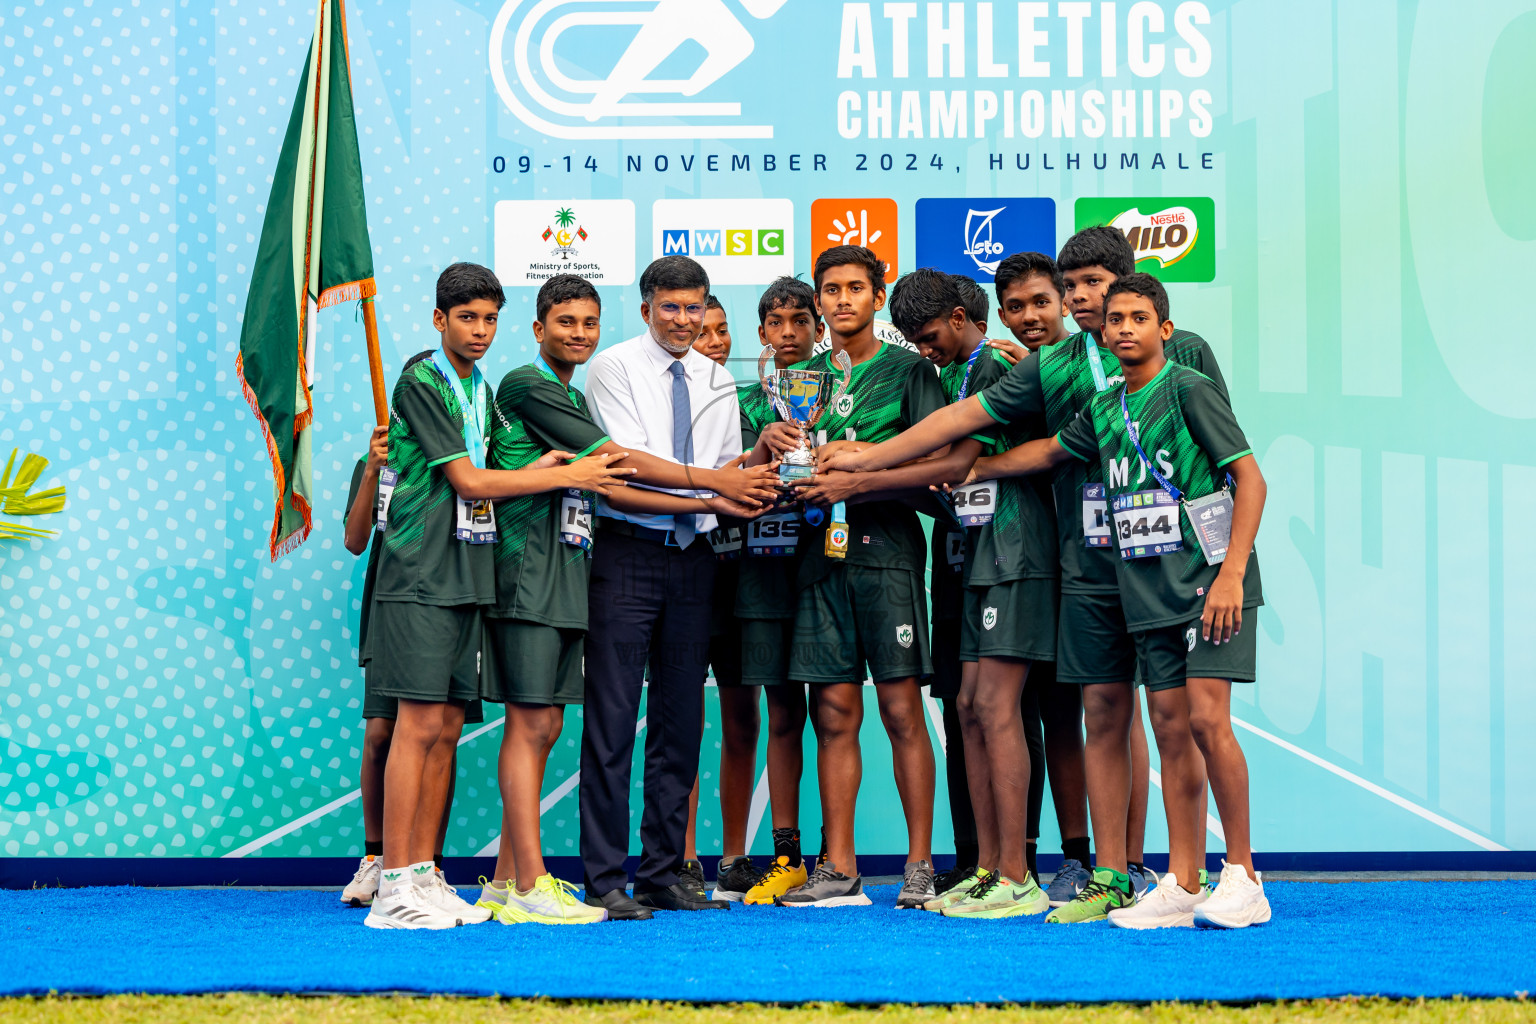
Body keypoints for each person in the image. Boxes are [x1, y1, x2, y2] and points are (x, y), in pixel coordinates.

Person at [822, 228, 1229, 922]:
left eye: (1086, 287)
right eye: (1067, 290)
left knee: (1186, 718)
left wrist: (1226, 564)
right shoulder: (1055, 366)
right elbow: (1007, 437)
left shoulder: (1181, 351)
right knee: (1099, 710)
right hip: (1086, 559)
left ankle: (1217, 870)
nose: (1075, 300)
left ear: (1130, 288)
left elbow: (1225, 456)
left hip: (1174, 561)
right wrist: (870, 459)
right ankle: (1101, 873)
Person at [984, 274, 1270, 929]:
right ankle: (1184, 881)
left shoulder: (1188, 389)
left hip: (1210, 585)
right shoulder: (1107, 407)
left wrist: (1231, 574)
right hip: (1152, 594)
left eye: (1138, 317)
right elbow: (1048, 451)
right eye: (1115, 320)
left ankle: (1245, 876)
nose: (1123, 328)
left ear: (1164, 330)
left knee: (1206, 723)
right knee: (1170, 730)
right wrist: (975, 467)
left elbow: (1249, 479)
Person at [364, 262, 635, 930]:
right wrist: (567, 472)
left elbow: (492, 469)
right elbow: (469, 483)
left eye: (489, 318)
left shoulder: (480, 389)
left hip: (469, 576)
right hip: (420, 571)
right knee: (416, 725)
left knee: (447, 727)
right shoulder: (423, 378)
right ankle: (393, 882)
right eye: (467, 318)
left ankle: (423, 873)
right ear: (439, 320)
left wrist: (541, 469)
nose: (480, 331)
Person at [580, 256, 781, 920]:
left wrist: (760, 461)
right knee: (611, 721)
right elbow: (625, 462)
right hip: (627, 554)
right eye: (671, 307)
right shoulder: (613, 366)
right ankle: (605, 878)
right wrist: (721, 482)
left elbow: (719, 475)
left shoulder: (718, 376)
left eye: (695, 308)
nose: (684, 321)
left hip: (696, 558)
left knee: (681, 724)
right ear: (646, 309)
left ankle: (664, 872)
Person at [774, 247, 968, 910]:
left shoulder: (911, 370)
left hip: (886, 554)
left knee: (899, 708)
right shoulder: (801, 375)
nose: (841, 300)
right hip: (818, 558)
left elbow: (942, 466)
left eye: (856, 287)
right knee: (831, 711)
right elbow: (793, 462)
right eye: (830, 289)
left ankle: (919, 863)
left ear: (876, 296)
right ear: (819, 300)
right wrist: (794, 477)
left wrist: (862, 468)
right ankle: (840, 866)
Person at [885, 269, 1055, 919]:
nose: (923, 351)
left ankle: (1018, 872)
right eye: (912, 342)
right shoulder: (947, 378)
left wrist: (858, 473)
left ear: (961, 317)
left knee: (997, 705)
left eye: (928, 337)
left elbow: (957, 466)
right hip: (973, 558)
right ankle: (988, 867)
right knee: (968, 704)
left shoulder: (998, 370)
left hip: (1017, 550)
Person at [711, 278, 826, 904]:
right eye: (776, 322)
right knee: (780, 709)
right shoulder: (742, 400)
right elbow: (718, 487)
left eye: (799, 320)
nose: (788, 332)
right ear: (762, 334)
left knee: (835, 712)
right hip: (761, 571)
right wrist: (763, 452)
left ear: (818, 327)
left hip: (831, 567)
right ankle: (786, 855)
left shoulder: (842, 393)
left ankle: (834, 854)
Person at [339, 425, 484, 907]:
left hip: (456, 603)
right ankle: (377, 858)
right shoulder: (380, 461)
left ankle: (428, 864)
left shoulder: (469, 458)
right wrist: (371, 474)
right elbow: (355, 541)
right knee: (384, 731)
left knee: (442, 732)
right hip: (395, 608)